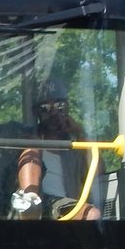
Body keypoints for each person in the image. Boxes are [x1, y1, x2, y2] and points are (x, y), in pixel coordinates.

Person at [12, 79, 101, 221]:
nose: (54, 113)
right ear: (36, 113)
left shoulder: (75, 146)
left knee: (91, 214)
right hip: (41, 203)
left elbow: (98, 171)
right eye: (46, 107)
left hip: (65, 205)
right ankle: (30, 202)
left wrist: (79, 132)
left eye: (60, 106)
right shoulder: (29, 141)